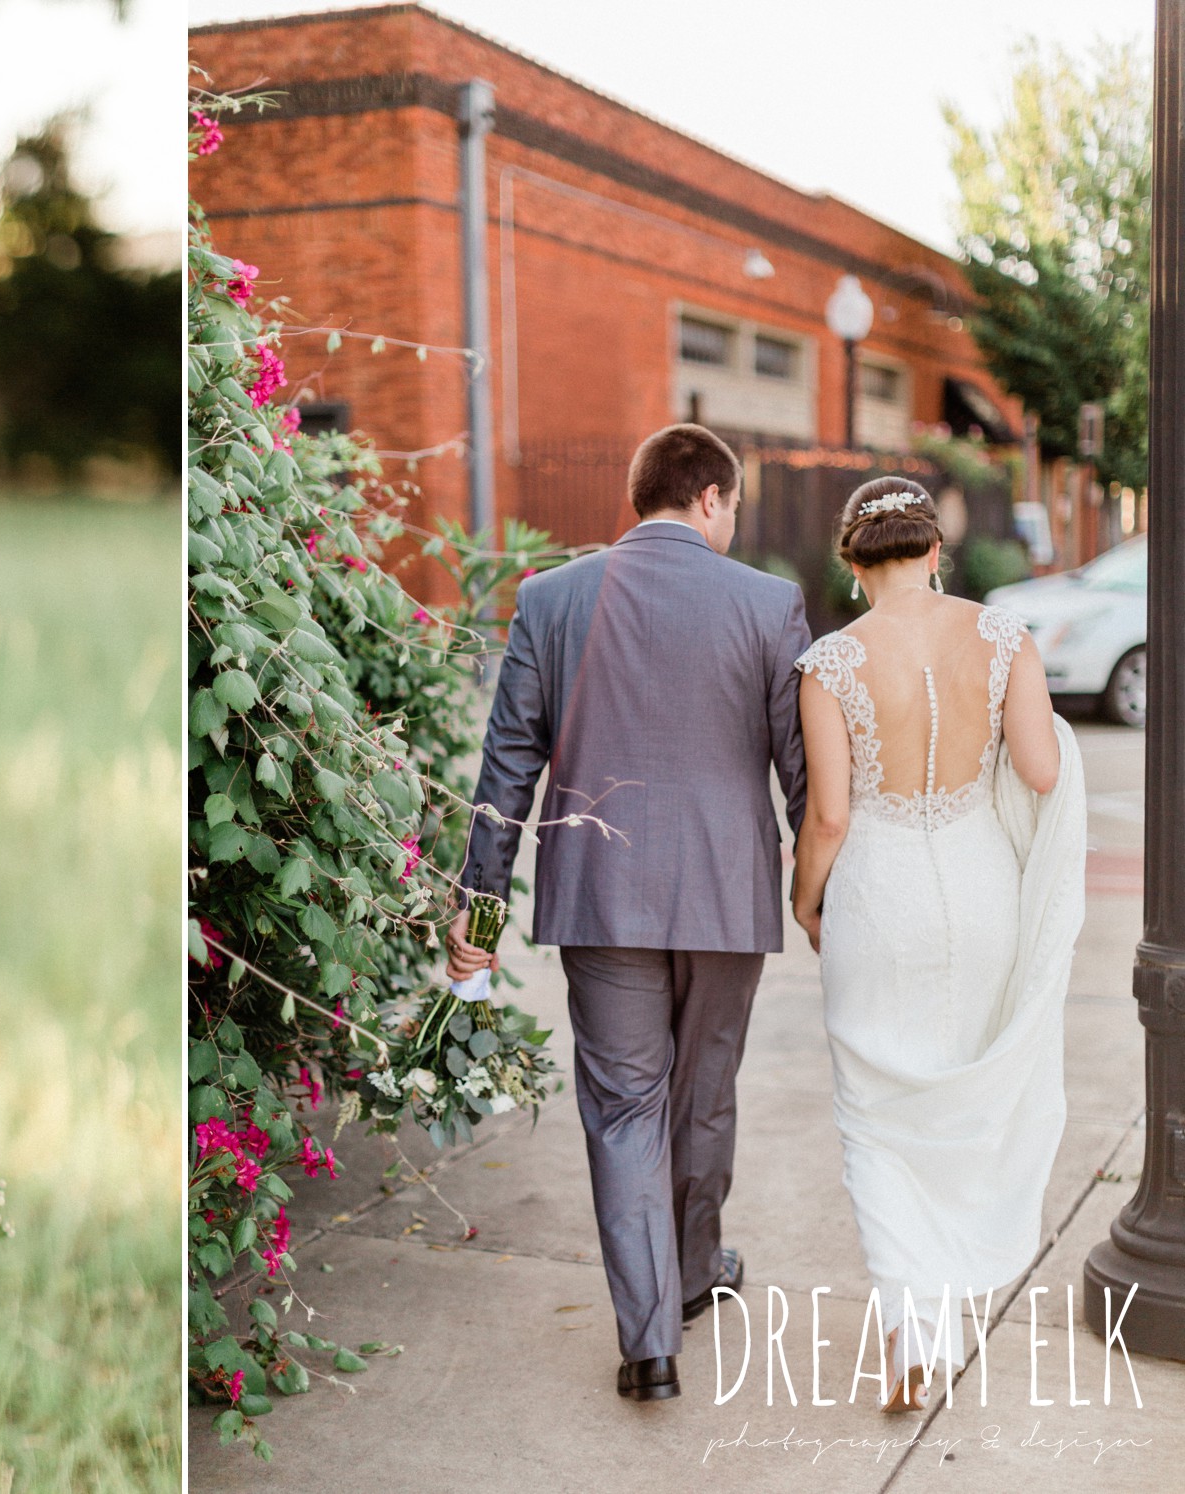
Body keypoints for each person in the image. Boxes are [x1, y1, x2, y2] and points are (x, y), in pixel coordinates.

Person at [449, 422, 810, 1402]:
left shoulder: (549, 599)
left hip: (599, 900)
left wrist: (475, 923)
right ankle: (695, 1276)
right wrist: (819, 899)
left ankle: (648, 1339)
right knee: (701, 1098)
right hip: (725, 903)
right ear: (708, 499)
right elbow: (805, 777)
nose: (730, 521)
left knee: (620, 1112)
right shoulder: (770, 604)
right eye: (731, 506)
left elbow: (503, 770)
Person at [791, 478, 1083, 1411]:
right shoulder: (1004, 638)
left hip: (880, 898)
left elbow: (830, 816)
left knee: (876, 1118)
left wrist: (805, 903)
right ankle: (942, 1307)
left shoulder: (830, 663)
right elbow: (1040, 769)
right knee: (959, 1099)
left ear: (853, 564)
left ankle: (913, 1333)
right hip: (981, 887)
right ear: (934, 552)